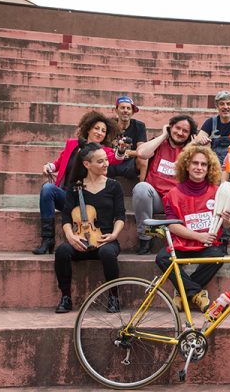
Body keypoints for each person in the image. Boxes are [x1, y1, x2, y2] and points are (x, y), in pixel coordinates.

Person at [155, 145, 230, 312]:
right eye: (195, 163)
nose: (199, 167)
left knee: (218, 256)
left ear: (209, 168)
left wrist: (228, 220)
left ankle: (182, 293)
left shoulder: (217, 191)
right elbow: (172, 225)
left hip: (207, 246)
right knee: (162, 258)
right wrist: (199, 236)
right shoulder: (173, 194)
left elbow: (226, 224)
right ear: (187, 166)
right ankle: (196, 293)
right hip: (183, 243)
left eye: (203, 164)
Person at [33, 111, 122, 255]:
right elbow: (58, 163)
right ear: (88, 129)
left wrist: (122, 150)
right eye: (97, 128)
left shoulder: (104, 151)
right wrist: (48, 167)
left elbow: (117, 157)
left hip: (91, 205)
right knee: (47, 189)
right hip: (70, 196)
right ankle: (47, 239)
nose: (100, 133)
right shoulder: (72, 144)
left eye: (103, 131)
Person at [54, 141, 126, 313]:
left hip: (105, 239)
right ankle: (66, 297)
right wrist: (71, 237)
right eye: (100, 161)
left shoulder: (114, 186)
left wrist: (114, 235)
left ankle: (113, 297)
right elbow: (66, 216)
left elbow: (120, 216)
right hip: (81, 240)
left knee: (108, 253)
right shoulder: (75, 187)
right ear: (87, 164)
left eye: (106, 160)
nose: (106, 163)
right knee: (62, 251)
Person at [133, 115, 197, 254]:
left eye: (185, 131)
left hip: (177, 201)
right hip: (156, 198)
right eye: (177, 128)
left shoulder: (192, 151)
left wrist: (192, 147)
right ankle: (145, 238)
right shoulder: (159, 144)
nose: (180, 133)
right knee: (141, 188)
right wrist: (163, 136)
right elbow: (141, 153)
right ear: (170, 127)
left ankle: (183, 241)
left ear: (190, 135)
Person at [194, 91, 230, 164]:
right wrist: (202, 141)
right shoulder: (210, 122)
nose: (225, 107)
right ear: (217, 107)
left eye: (228, 104)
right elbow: (197, 140)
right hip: (216, 166)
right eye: (222, 104)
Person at [108, 96, 149, 181]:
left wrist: (128, 153)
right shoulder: (109, 125)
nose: (125, 111)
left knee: (144, 158)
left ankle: (142, 186)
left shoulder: (139, 126)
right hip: (111, 161)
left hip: (130, 164)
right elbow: (104, 148)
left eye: (128, 108)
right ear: (116, 110)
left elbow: (141, 151)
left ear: (132, 112)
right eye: (122, 108)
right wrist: (117, 153)